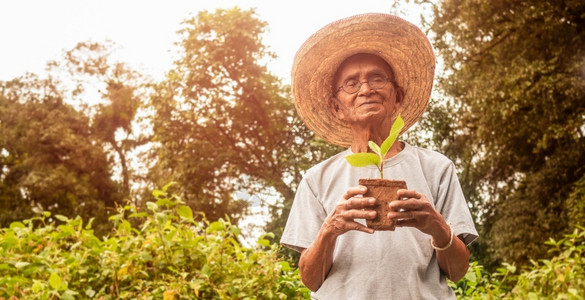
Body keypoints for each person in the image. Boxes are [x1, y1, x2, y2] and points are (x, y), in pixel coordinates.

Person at [280, 13, 478, 299]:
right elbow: (310, 280)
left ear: (397, 97)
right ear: (337, 107)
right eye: (351, 83)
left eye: (377, 78)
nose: (366, 89)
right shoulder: (317, 179)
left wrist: (437, 227)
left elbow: (458, 271)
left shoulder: (437, 168)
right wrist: (330, 229)